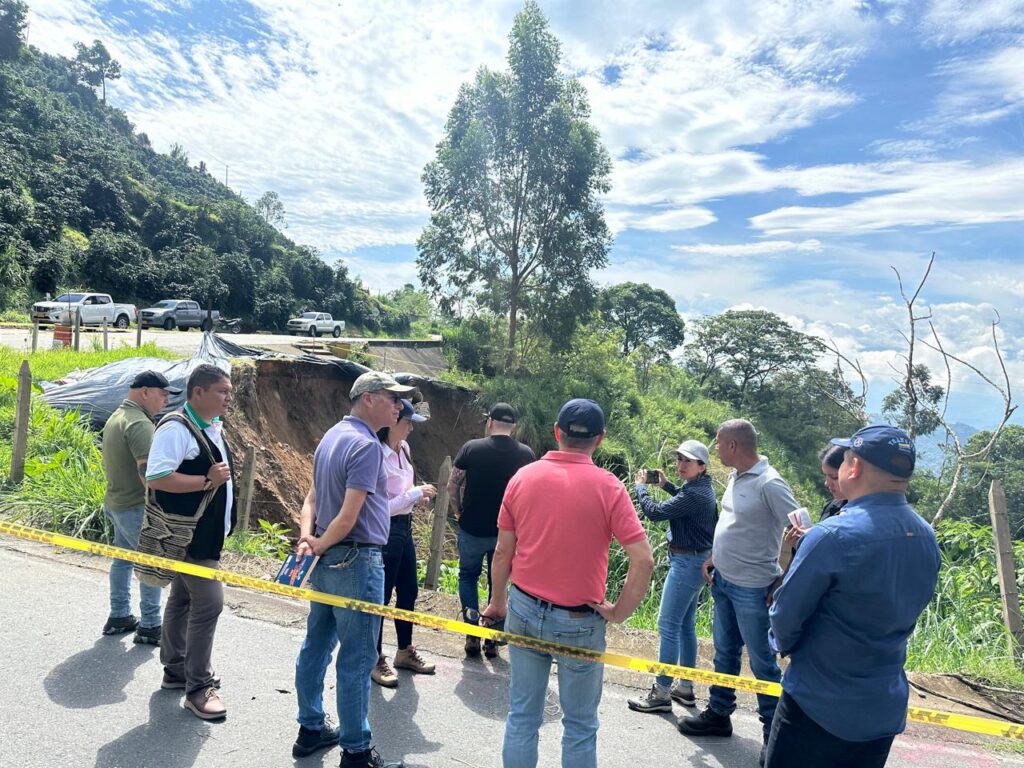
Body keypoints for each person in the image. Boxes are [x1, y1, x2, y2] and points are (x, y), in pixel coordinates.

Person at [482, 398, 654, 768]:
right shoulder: (609, 487)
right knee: (579, 725)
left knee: (523, 717)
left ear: (556, 432)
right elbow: (644, 559)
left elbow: (501, 552)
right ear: (600, 439)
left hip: (525, 609)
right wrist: (618, 613)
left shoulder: (523, 477)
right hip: (579, 621)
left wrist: (498, 601)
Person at [765, 426, 940, 768]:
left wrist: (782, 645)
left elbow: (785, 616)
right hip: (882, 706)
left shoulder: (831, 535)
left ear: (854, 467)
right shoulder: (926, 535)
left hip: (818, 703)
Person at [292, 371, 412, 768]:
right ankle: (357, 752)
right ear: (369, 399)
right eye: (392, 398)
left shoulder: (331, 436)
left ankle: (310, 728)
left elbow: (310, 499)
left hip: (327, 559)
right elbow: (350, 512)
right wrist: (321, 542)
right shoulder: (366, 446)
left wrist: (310, 541)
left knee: (317, 645)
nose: (398, 406)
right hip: (356, 559)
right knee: (357, 660)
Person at [678, 419, 798, 767]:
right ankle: (719, 713)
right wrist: (717, 556)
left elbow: (801, 533)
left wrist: (783, 580)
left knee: (763, 664)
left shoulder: (770, 483)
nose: (714, 449)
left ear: (732, 446)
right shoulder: (734, 477)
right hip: (725, 581)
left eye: (718, 443)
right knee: (725, 653)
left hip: (754, 588)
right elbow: (733, 522)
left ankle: (772, 738)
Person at [145, 364, 234, 720]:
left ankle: (175, 670)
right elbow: (157, 477)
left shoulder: (209, 424)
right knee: (210, 604)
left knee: (182, 599)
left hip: (204, 536)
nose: (229, 398)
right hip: (190, 539)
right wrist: (206, 482)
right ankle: (198, 687)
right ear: (198, 392)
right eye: (222, 392)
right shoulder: (176, 428)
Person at [627, 439, 717, 713]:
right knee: (685, 625)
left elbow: (654, 513)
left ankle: (662, 692)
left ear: (702, 466)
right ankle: (685, 688)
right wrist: (666, 485)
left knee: (667, 625)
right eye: (679, 459)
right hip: (695, 559)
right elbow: (683, 501)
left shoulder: (695, 494)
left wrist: (640, 488)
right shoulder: (700, 488)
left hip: (687, 563)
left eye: (687, 461)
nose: (681, 465)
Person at [448, 402, 535, 658]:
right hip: (505, 533)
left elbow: (453, 485)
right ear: (514, 427)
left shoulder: (472, 448)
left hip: (472, 527)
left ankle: (472, 633)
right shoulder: (526, 455)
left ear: (489, 422)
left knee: (468, 577)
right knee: (497, 582)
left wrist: (458, 511)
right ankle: (492, 638)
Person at [100, 370, 179, 645]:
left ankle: (120, 615)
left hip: (116, 502)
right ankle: (150, 625)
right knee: (150, 565)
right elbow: (149, 476)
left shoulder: (116, 417)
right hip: (136, 507)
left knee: (122, 560)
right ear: (145, 392)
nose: (166, 401)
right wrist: (163, 511)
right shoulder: (140, 425)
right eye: (163, 394)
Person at [371, 398, 437, 688]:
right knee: (381, 597)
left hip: (404, 529)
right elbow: (379, 507)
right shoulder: (378, 455)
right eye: (407, 422)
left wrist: (415, 497)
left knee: (408, 590)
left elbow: (403, 495)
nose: (411, 428)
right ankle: (375, 658)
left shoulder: (404, 450)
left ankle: (404, 650)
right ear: (393, 423)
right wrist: (412, 495)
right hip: (384, 530)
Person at [784, 443, 847, 553]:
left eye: (834, 477)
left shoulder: (861, 515)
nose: (827, 483)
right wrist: (803, 543)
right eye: (825, 476)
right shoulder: (831, 506)